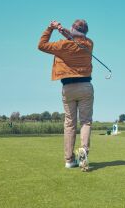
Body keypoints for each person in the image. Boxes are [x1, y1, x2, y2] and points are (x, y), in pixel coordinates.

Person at [38, 19, 94, 171]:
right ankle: (84, 150)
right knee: (85, 122)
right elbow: (76, 40)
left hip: (68, 87)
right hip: (85, 86)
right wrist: (63, 31)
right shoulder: (89, 44)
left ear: (72, 29)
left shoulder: (62, 45)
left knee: (70, 123)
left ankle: (69, 160)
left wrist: (50, 28)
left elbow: (41, 45)